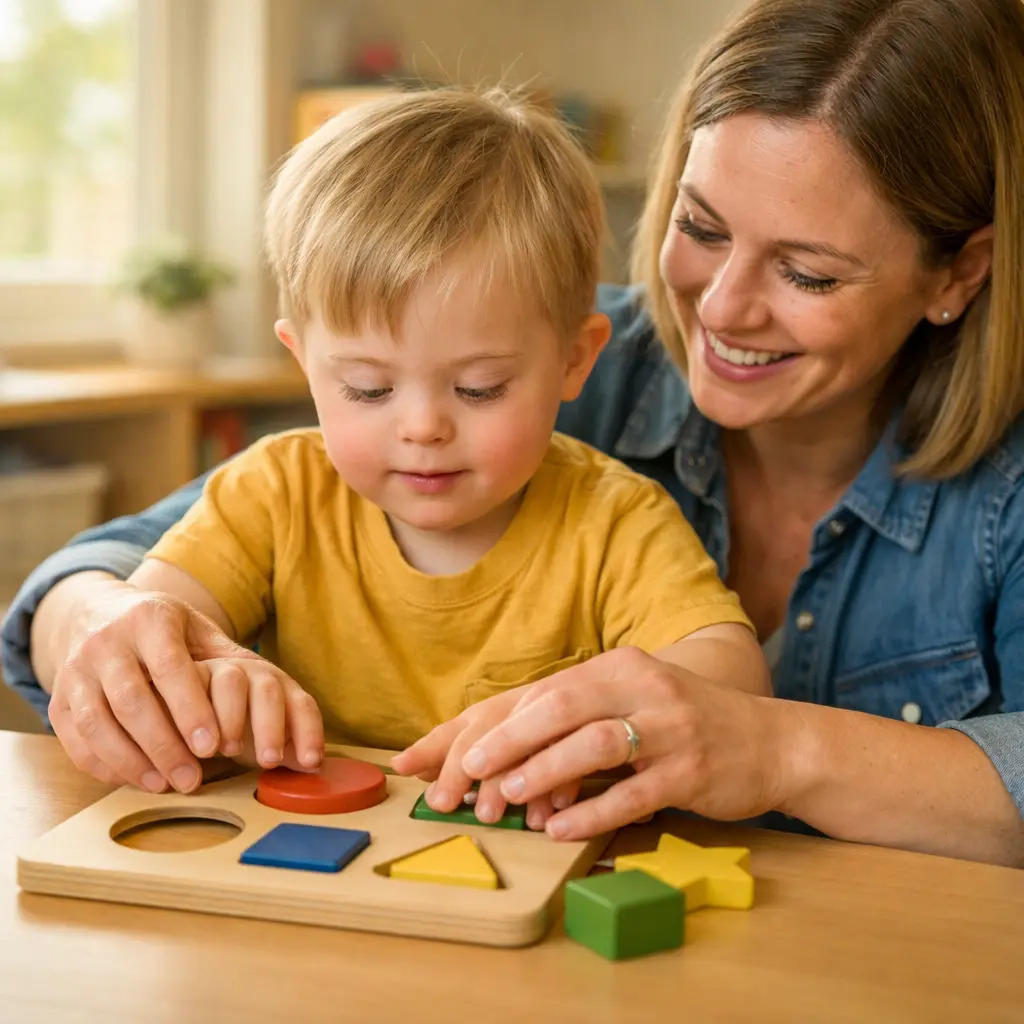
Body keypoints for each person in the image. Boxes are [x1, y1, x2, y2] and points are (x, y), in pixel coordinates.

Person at [4, 0, 1024, 863]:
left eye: (806, 273)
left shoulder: (567, 424)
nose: (717, 307)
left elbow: (720, 677)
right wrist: (111, 629)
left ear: (957, 273)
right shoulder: (471, 362)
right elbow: (120, 571)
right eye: (699, 225)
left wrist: (766, 743)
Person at [4, 86, 768, 828]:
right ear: (303, 362)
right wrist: (200, 688)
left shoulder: (615, 519)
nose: (423, 427)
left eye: (479, 388)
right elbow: (160, 639)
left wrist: (611, 718)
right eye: (368, 389)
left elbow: (734, 683)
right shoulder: (272, 494)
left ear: (576, 359)